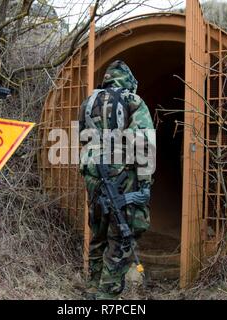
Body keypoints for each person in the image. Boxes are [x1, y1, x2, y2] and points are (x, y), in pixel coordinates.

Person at [78, 60, 155, 300]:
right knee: (121, 230)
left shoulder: (88, 103)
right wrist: (144, 183)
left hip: (93, 173)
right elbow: (143, 143)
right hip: (122, 173)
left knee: (98, 229)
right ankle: (107, 293)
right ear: (128, 80)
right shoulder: (133, 101)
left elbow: (83, 137)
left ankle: (92, 286)